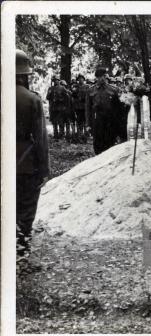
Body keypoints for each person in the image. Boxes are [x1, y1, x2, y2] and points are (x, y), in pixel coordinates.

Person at [16, 49, 49, 267]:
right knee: (26, 207)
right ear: (22, 75)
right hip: (25, 163)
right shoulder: (31, 100)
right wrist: (44, 169)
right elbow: (40, 138)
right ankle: (21, 250)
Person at [85, 67, 125, 155]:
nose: (102, 78)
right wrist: (88, 124)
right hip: (97, 120)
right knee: (97, 143)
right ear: (96, 78)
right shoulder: (90, 90)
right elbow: (88, 109)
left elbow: (118, 109)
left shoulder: (113, 90)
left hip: (110, 121)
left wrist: (119, 124)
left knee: (110, 142)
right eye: (99, 76)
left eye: (103, 76)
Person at [71, 74, 89, 141]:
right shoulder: (75, 86)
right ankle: (80, 135)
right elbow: (73, 95)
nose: (80, 80)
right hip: (78, 107)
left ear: (84, 79)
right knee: (79, 121)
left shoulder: (87, 86)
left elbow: (89, 95)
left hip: (85, 106)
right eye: (79, 79)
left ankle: (86, 134)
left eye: (81, 78)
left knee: (86, 121)